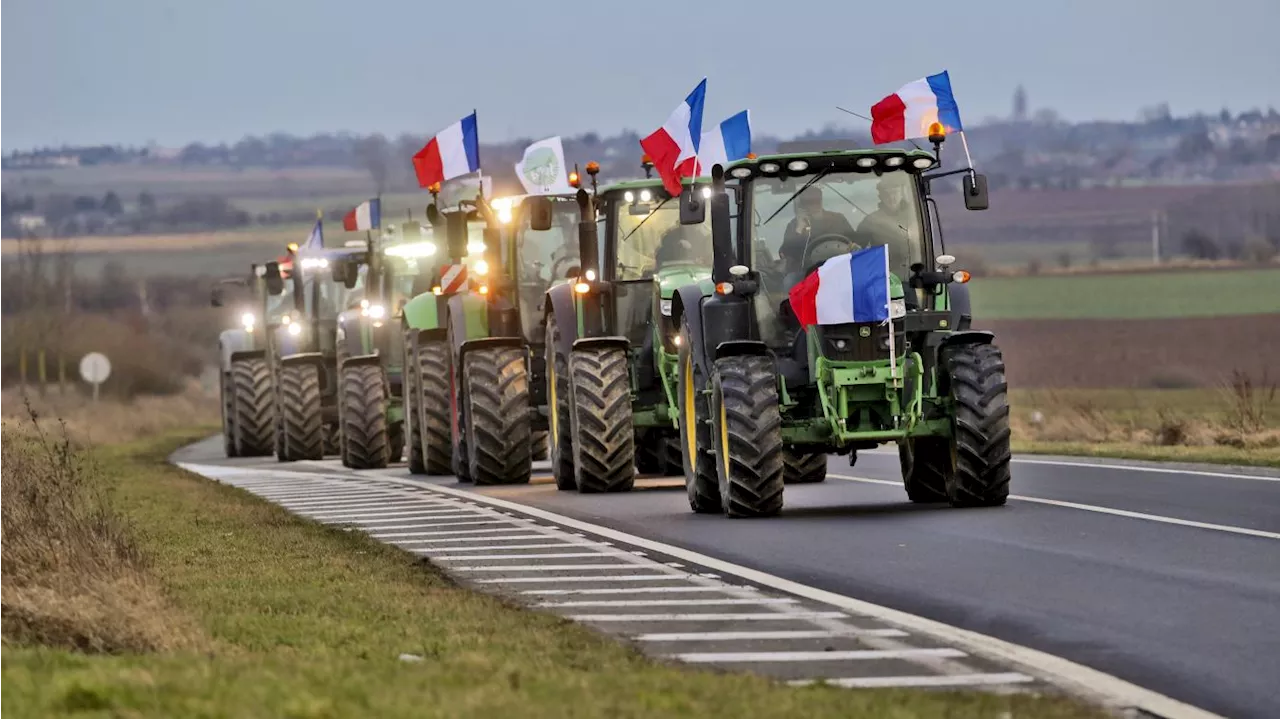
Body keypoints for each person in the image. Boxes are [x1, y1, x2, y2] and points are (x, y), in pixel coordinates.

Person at [777, 189, 857, 275]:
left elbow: (856, 242)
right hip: (805, 273)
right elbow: (786, 252)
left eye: (816, 200)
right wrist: (799, 228)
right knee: (790, 281)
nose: (814, 205)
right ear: (802, 205)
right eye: (809, 202)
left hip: (841, 267)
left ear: (821, 201)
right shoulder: (794, 224)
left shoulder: (838, 219)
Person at [855, 174, 916, 272]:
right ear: (880, 196)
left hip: (916, 273)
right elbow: (856, 249)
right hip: (887, 276)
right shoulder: (871, 221)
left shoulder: (916, 215)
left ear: (901, 193)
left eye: (895, 192)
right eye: (886, 194)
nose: (891, 197)